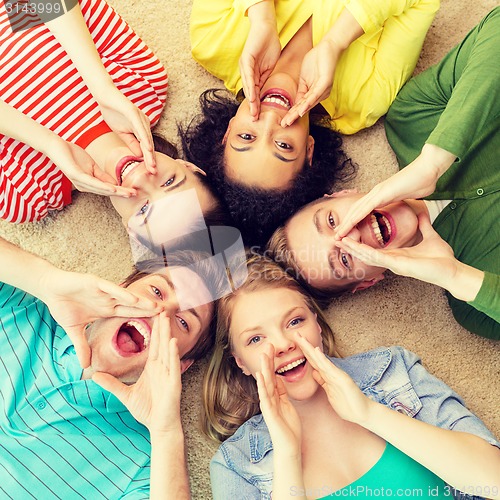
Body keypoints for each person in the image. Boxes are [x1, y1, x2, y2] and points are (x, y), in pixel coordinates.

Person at [266, 7, 500, 339]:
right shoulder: (472, 299)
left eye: (332, 221)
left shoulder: (412, 119)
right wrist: (455, 276)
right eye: (344, 259)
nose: (351, 234)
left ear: (341, 194)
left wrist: (434, 160)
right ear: (369, 281)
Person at [203, 256, 500, 499]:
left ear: (316, 324)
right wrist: (287, 454)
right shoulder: (235, 465)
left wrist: (369, 413)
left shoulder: (393, 370)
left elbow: (494, 480)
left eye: (295, 321)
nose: (283, 345)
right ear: (240, 362)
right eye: (256, 339)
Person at [179, 0, 439, 245]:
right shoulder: (364, 100)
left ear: (227, 132)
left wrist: (262, 18)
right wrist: (336, 41)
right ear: (309, 150)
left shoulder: (211, 41)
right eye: (283, 145)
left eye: (246, 137)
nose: (271, 121)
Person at [0, 233, 224, 498]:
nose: (159, 312)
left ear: (181, 365)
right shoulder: (22, 309)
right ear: (121, 287)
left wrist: (166, 432)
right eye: (156, 291)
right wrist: (44, 281)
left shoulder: (142, 464)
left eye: (184, 321)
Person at [0, 0, 223, 230]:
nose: (139, 179)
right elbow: (33, 4)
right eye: (169, 182)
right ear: (188, 167)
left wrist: (47, 143)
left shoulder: (27, 197)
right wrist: (102, 87)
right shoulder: (145, 86)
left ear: (129, 228)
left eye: (144, 210)